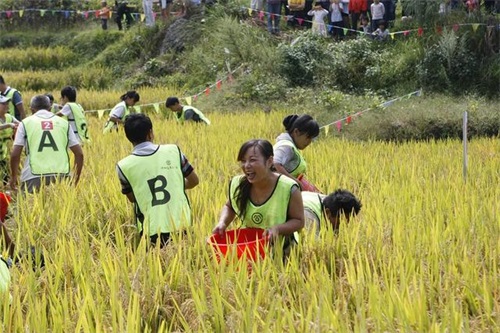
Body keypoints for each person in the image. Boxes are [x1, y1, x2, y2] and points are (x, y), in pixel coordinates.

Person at [116, 114, 199, 247]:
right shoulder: (173, 150)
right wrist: (175, 184)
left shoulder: (123, 166)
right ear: (150, 133)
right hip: (181, 223)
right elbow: (194, 181)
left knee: (157, 265)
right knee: (186, 261)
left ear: (128, 137)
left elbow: (133, 198)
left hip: (151, 229)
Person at [212, 139, 304, 256]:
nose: (246, 166)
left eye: (253, 160)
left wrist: (277, 229)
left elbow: (299, 221)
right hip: (249, 247)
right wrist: (222, 222)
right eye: (243, 161)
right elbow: (230, 206)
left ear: (269, 161)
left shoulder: (288, 188)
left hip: (282, 250)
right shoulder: (239, 184)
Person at [9, 95, 84, 194]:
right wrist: (75, 180)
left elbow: (15, 154)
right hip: (61, 176)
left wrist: (14, 176)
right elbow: (79, 154)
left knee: (28, 207)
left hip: (32, 176)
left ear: (31, 109)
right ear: (49, 108)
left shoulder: (25, 123)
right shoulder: (64, 123)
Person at [273, 114, 320, 192]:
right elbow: (274, 163)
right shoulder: (286, 146)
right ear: (296, 132)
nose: (309, 142)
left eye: (312, 138)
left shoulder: (290, 145)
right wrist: (294, 181)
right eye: (308, 137)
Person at [0, 96, 19, 185]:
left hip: (3, 155)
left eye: (7, 104)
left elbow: (19, 124)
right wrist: (8, 125)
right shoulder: (9, 122)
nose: (7, 106)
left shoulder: (9, 117)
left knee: (4, 179)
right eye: (3, 104)